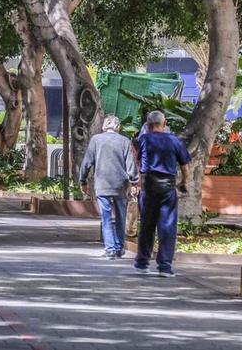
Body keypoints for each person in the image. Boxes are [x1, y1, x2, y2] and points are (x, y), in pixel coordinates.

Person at [133, 111, 190, 278]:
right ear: (164, 124)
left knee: (146, 225)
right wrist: (184, 182)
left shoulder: (143, 140)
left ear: (149, 125)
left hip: (148, 185)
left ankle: (142, 263)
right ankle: (164, 266)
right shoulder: (175, 141)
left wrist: (137, 183)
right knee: (167, 226)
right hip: (168, 187)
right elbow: (185, 167)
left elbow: (137, 163)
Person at [79, 115, 138, 259]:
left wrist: (83, 180)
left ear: (104, 126)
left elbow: (87, 162)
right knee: (121, 216)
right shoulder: (124, 141)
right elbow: (130, 164)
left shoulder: (96, 140)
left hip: (102, 184)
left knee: (106, 217)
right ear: (118, 127)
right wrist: (134, 182)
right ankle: (119, 248)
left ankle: (110, 249)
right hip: (121, 185)